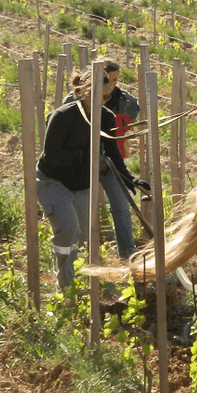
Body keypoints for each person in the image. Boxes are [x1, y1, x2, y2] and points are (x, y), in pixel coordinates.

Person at [37, 67, 150, 289]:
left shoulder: (106, 117)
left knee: (81, 238)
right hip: (53, 181)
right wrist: (86, 156)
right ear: (86, 91)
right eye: (102, 95)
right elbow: (52, 157)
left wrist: (130, 179)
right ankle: (66, 287)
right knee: (68, 229)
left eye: (108, 96)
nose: (105, 101)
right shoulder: (63, 116)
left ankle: (76, 284)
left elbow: (113, 153)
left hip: (81, 185)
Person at [61, 58, 142, 260]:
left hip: (108, 161)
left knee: (121, 204)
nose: (113, 85)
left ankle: (127, 254)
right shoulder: (73, 101)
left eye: (116, 80)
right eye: (109, 80)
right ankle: (81, 256)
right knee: (81, 208)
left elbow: (121, 134)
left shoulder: (127, 102)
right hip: (81, 162)